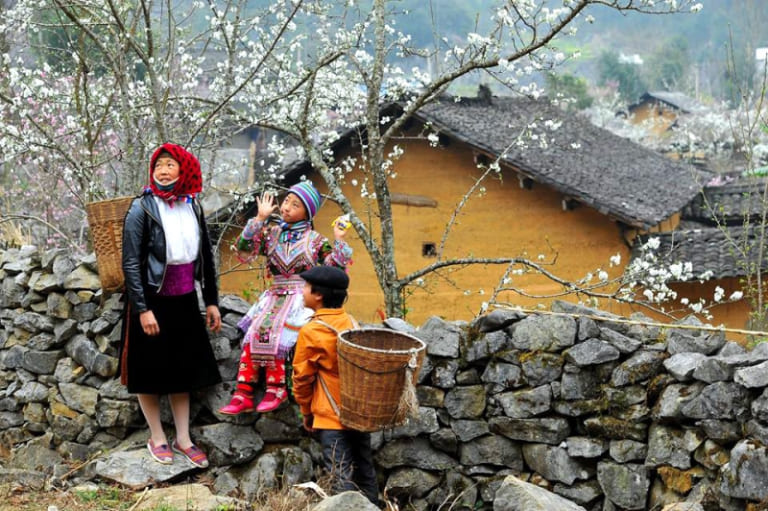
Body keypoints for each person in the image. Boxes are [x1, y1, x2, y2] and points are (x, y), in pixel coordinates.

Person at [120, 142, 222, 468]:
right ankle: (157, 437)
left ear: (183, 169)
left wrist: (212, 301)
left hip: (184, 299)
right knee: (148, 371)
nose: (163, 170)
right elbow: (131, 263)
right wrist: (142, 309)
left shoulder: (193, 205)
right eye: (158, 165)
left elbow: (205, 255)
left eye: (169, 165)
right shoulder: (142, 208)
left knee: (184, 371)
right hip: (151, 299)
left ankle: (183, 438)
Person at [219, 181, 352, 415]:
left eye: (296, 204)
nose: (287, 207)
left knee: (281, 336)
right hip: (273, 296)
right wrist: (260, 218)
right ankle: (243, 391)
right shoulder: (272, 234)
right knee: (254, 332)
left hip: (300, 299)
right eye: (287, 201)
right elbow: (244, 245)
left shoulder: (316, 241)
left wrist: (339, 238)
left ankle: (276, 388)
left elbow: (335, 268)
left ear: (307, 212)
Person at [291, 265, 380, 506]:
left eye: (306, 288)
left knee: (340, 476)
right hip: (357, 413)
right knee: (365, 469)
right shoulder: (351, 323)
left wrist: (306, 412)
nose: (302, 292)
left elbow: (302, 378)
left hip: (330, 417)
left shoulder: (312, 332)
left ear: (318, 295)